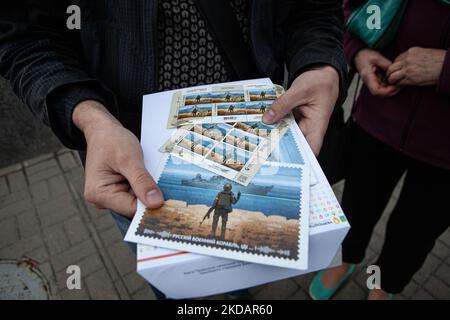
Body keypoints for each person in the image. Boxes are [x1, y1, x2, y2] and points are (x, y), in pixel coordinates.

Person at [0, 0, 347, 298]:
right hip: (135, 154)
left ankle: (235, 290)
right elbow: (26, 37)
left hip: (260, 129)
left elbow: (314, 9)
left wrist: (320, 63)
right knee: (177, 281)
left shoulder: (231, 192)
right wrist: (89, 118)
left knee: (233, 256)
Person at [310, 0, 450, 300]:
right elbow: (349, 7)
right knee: (357, 205)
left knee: (414, 233)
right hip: (377, 117)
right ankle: (346, 260)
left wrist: (445, 67)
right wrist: (357, 52)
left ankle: (382, 285)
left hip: (445, 155)